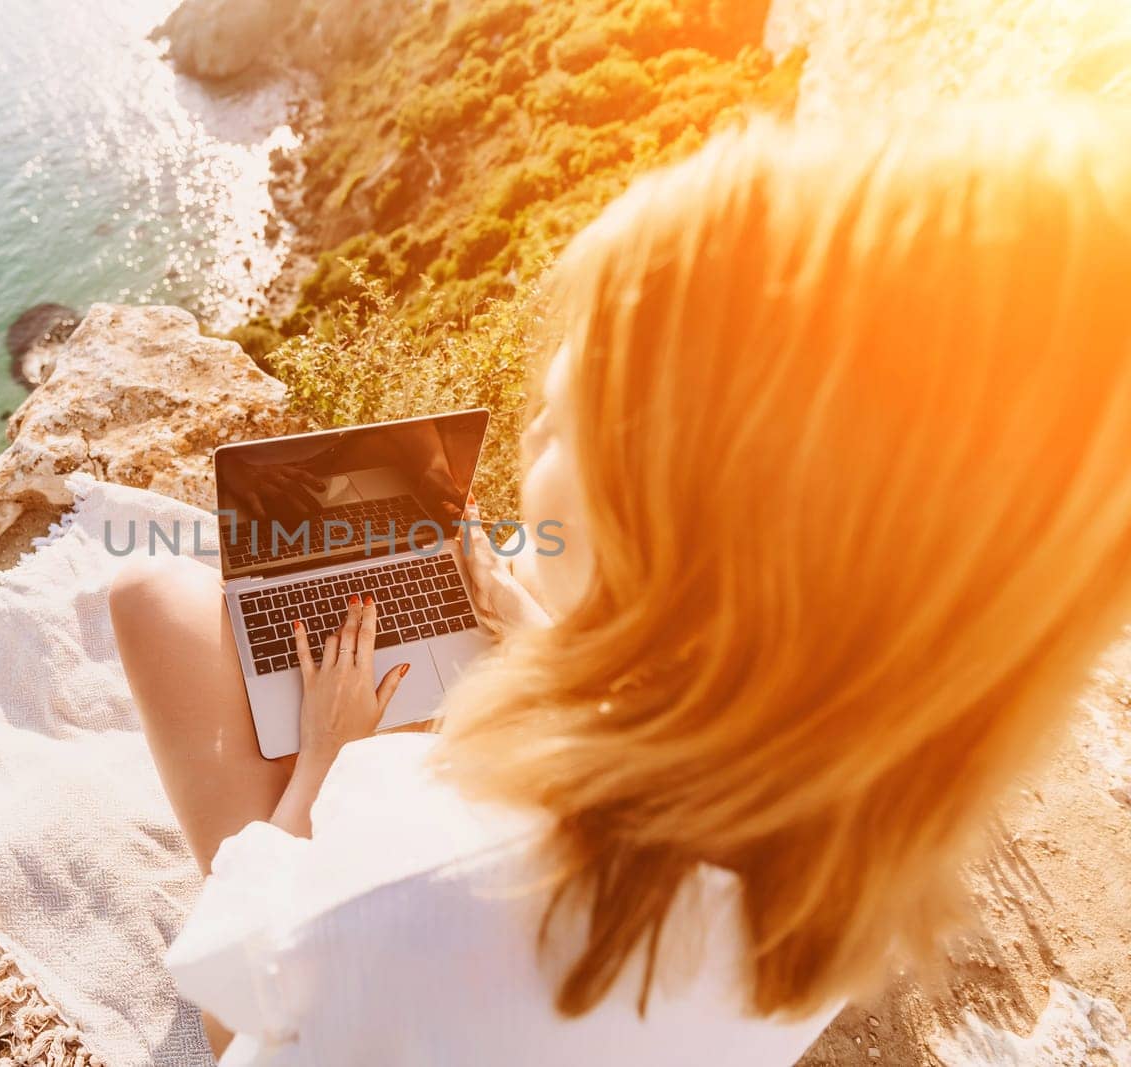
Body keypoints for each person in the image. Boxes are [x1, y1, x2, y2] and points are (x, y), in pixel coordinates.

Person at [108, 105, 1131, 1065]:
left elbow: (232, 1018)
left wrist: (319, 761)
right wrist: (544, 630)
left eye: (558, 423)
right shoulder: (859, 817)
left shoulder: (419, 884)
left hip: (372, 964)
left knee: (150, 599)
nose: (527, 440)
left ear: (676, 530)